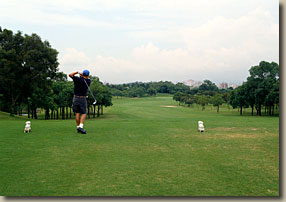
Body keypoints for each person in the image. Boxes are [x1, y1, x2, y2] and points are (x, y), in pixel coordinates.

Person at [69, 70, 91, 134]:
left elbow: (70, 75)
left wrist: (77, 72)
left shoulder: (77, 79)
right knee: (84, 113)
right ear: (88, 75)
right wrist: (82, 76)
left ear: (82, 74)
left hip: (75, 98)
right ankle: (80, 127)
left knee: (77, 113)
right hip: (82, 98)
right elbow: (84, 79)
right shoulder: (88, 81)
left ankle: (78, 127)